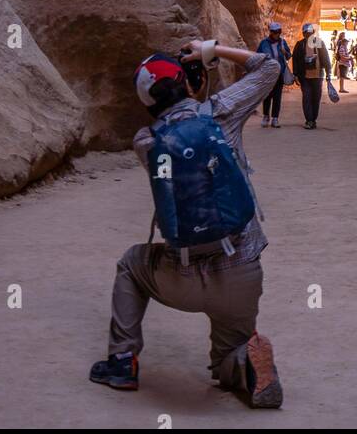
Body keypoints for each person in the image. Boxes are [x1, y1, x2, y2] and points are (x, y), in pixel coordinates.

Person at [90, 39, 283, 408]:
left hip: (182, 276)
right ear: (188, 81)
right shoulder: (222, 112)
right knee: (227, 354)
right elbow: (270, 68)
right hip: (242, 269)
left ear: (146, 101)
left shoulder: (147, 140)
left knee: (132, 264)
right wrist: (211, 50)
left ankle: (121, 362)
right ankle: (245, 365)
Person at [291, 22, 331, 128]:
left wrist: (328, 73)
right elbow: (295, 60)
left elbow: (325, 58)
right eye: (306, 33)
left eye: (310, 33)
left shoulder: (319, 43)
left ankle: (313, 119)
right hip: (304, 77)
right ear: (304, 34)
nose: (308, 35)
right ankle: (309, 120)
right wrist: (295, 74)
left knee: (316, 99)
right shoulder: (300, 45)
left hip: (318, 76)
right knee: (307, 98)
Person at [259, 21, 292, 127]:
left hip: (279, 74)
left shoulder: (283, 42)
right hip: (268, 74)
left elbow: (288, 56)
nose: (277, 34)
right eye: (275, 32)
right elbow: (258, 56)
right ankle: (265, 116)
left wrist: (284, 52)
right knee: (267, 96)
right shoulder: (264, 43)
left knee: (277, 97)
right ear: (271, 32)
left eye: (279, 32)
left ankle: (275, 118)